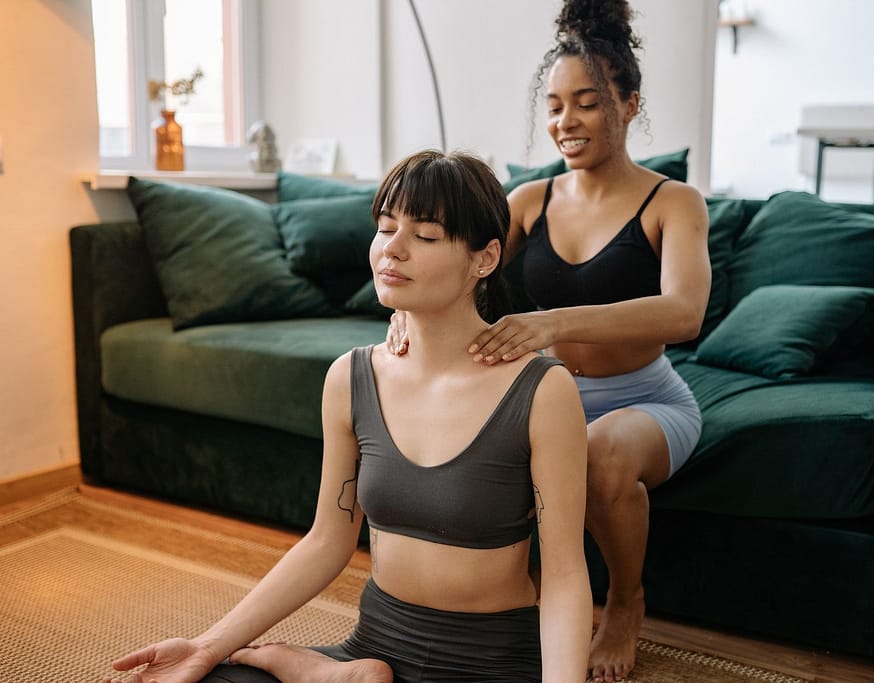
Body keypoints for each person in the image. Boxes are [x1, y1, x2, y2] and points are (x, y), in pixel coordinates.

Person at [104, 151, 592, 683]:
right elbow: (326, 541)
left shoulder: (542, 390)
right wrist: (206, 645)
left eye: (425, 235)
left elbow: (565, 574)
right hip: (374, 646)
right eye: (385, 228)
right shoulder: (350, 377)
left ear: (485, 258)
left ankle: (314, 673)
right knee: (201, 678)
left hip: (490, 663)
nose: (393, 249)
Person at [387, 2, 711, 681]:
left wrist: (553, 323)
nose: (566, 121)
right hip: (549, 397)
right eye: (555, 106)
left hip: (645, 399)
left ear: (629, 104)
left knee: (601, 455)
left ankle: (624, 602)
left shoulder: (674, 202)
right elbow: (457, 266)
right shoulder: (528, 201)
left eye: (587, 103)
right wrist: (408, 315)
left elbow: (684, 312)